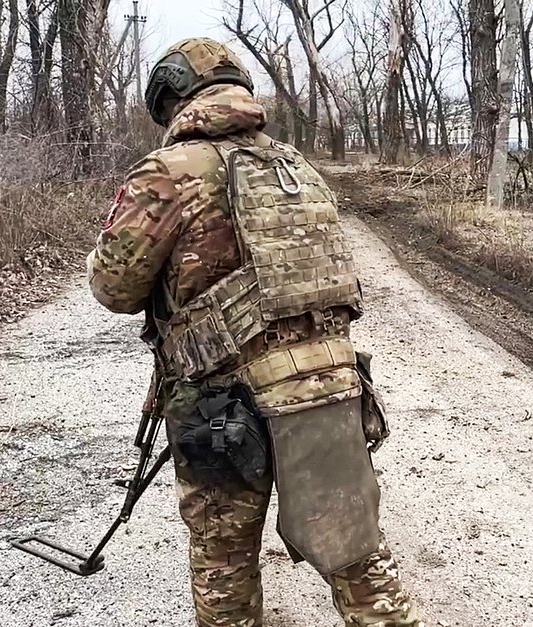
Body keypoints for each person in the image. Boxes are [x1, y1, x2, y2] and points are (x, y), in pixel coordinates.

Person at [86, 38, 422, 627]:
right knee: (356, 554)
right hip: (326, 386)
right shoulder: (296, 166)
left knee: (225, 567)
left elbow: (114, 290)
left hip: (222, 403)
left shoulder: (169, 171)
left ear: (169, 100)